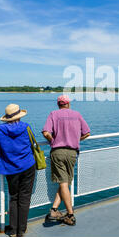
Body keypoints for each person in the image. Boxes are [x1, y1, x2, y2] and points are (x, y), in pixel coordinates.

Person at [0, 104, 36, 237]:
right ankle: (21, 230)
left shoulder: (0, 130)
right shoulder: (26, 127)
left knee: (13, 198)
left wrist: (2, 144)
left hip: (11, 168)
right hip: (28, 166)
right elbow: (33, 143)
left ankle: (13, 230)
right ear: (19, 115)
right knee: (25, 198)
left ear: (7, 118)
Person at [42, 95, 90, 226]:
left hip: (58, 152)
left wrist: (54, 141)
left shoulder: (54, 114)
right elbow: (87, 133)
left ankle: (70, 215)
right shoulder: (77, 114)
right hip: (72, 152)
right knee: (65, 182)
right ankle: (55, 209)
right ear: (68, 104)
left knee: (64, 183)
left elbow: (46, 132)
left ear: (58, 104)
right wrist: (75, 140)